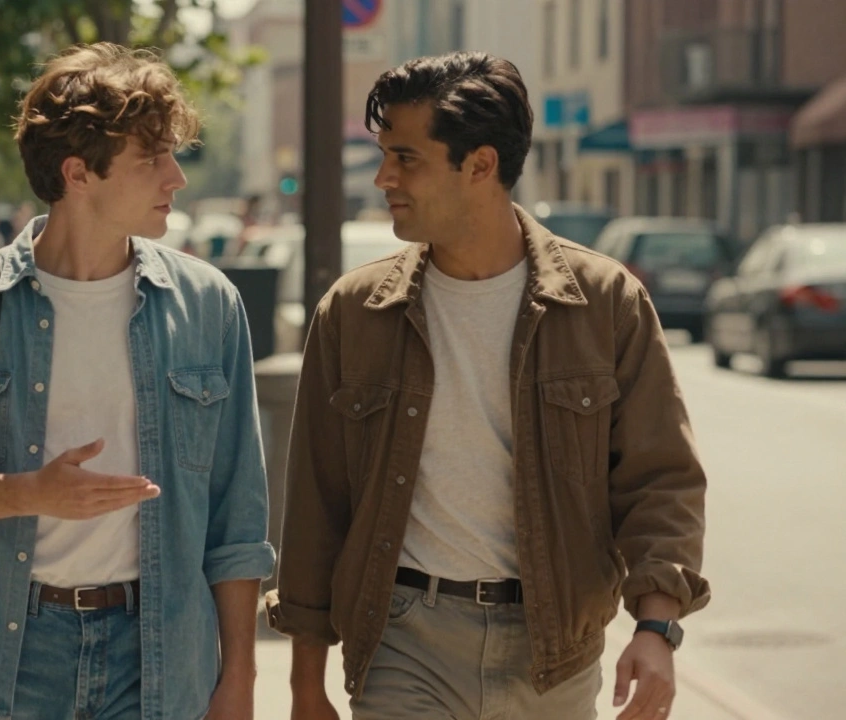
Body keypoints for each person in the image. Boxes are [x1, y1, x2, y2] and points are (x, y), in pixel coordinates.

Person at [266, 52, 710, 720]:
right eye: (384, 155)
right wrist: (306, 683)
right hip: (403, 637)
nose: (384, 177)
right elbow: (315, 507)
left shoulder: (605, 303)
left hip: (553, 649)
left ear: (479, 165)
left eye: (406, 158)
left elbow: (661, 480)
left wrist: (656, 629)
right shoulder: (355, 312)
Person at [0, 43, 274, 720]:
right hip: (16, 652)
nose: (176, 177)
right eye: (152, 159)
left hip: (161, 656)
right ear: (78, 173)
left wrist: (238, 680)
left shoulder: (206, 305)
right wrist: (26, 493)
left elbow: (238, 518)